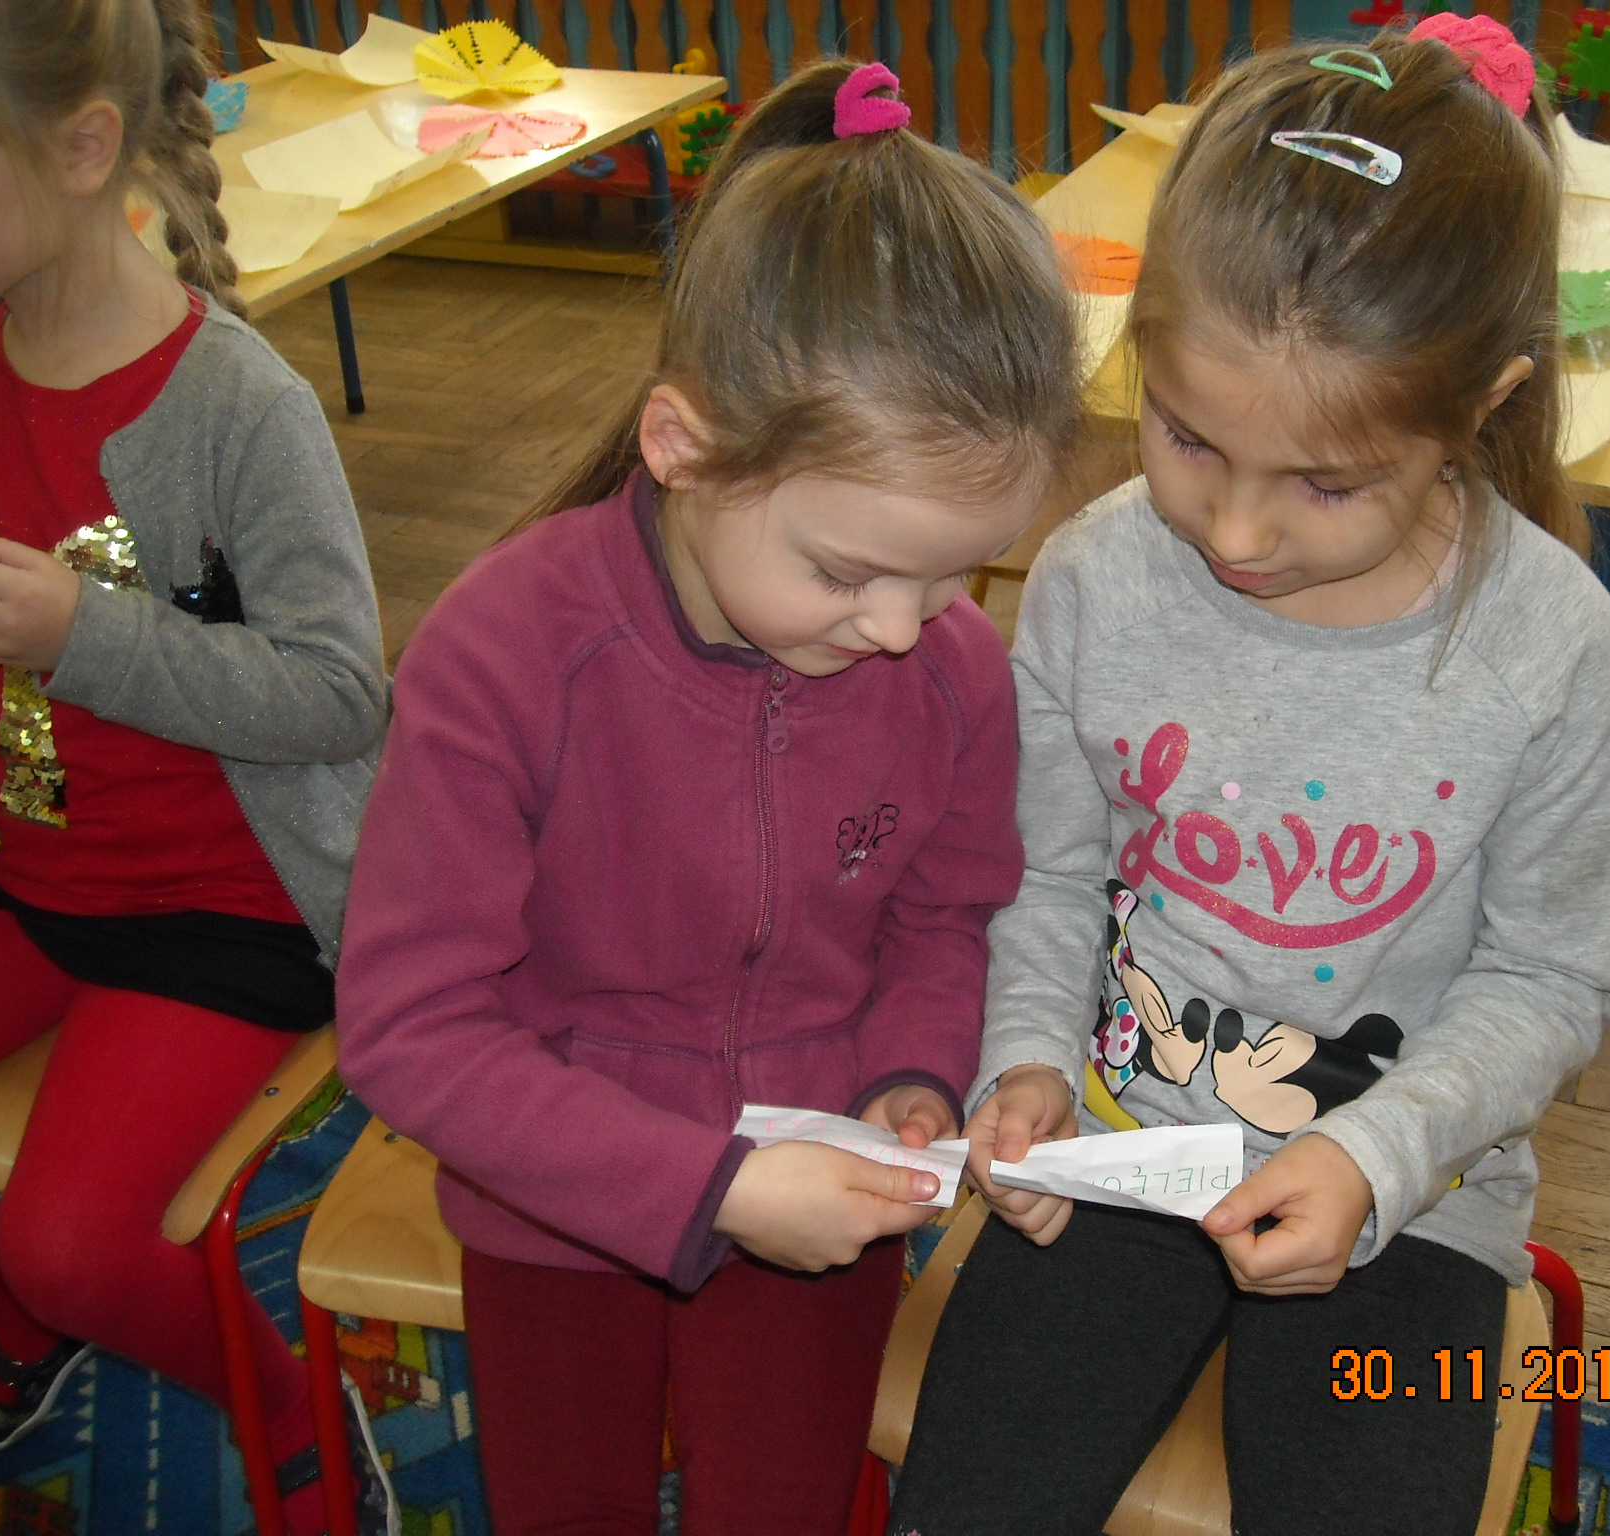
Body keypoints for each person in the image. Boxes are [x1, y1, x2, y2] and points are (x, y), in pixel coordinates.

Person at [887, 18, 1610, 1536]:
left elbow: (1555, 978)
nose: (1234, 533)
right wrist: (1025, 1056)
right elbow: (1051, 869)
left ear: (1479, 403)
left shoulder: (1553, 647)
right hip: (1117, 1144)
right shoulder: (1095, 576)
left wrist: (1371, 1157)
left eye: (1326, 482)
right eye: (1185, 439)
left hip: (1412, 1195)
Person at [333, 57, 1081, 1536]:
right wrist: (712, 1184)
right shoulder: (504, 652)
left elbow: (944, 917)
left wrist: (913, 1075)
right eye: (847, 571)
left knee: (784, 1504)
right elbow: (411, 1028)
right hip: (553, 1192)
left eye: (956, 575)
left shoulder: (951, 673)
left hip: (831, 1172)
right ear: (680, 447)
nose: (902, 628)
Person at [0, 2, 391, 1530]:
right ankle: (20, 1330)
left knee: (72, 1244)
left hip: (216, 913)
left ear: (81, 148)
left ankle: (292, 1408)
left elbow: (339, 696)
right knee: (31, 1263)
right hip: (9, 868)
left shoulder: (237, 404)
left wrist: (84, 638)